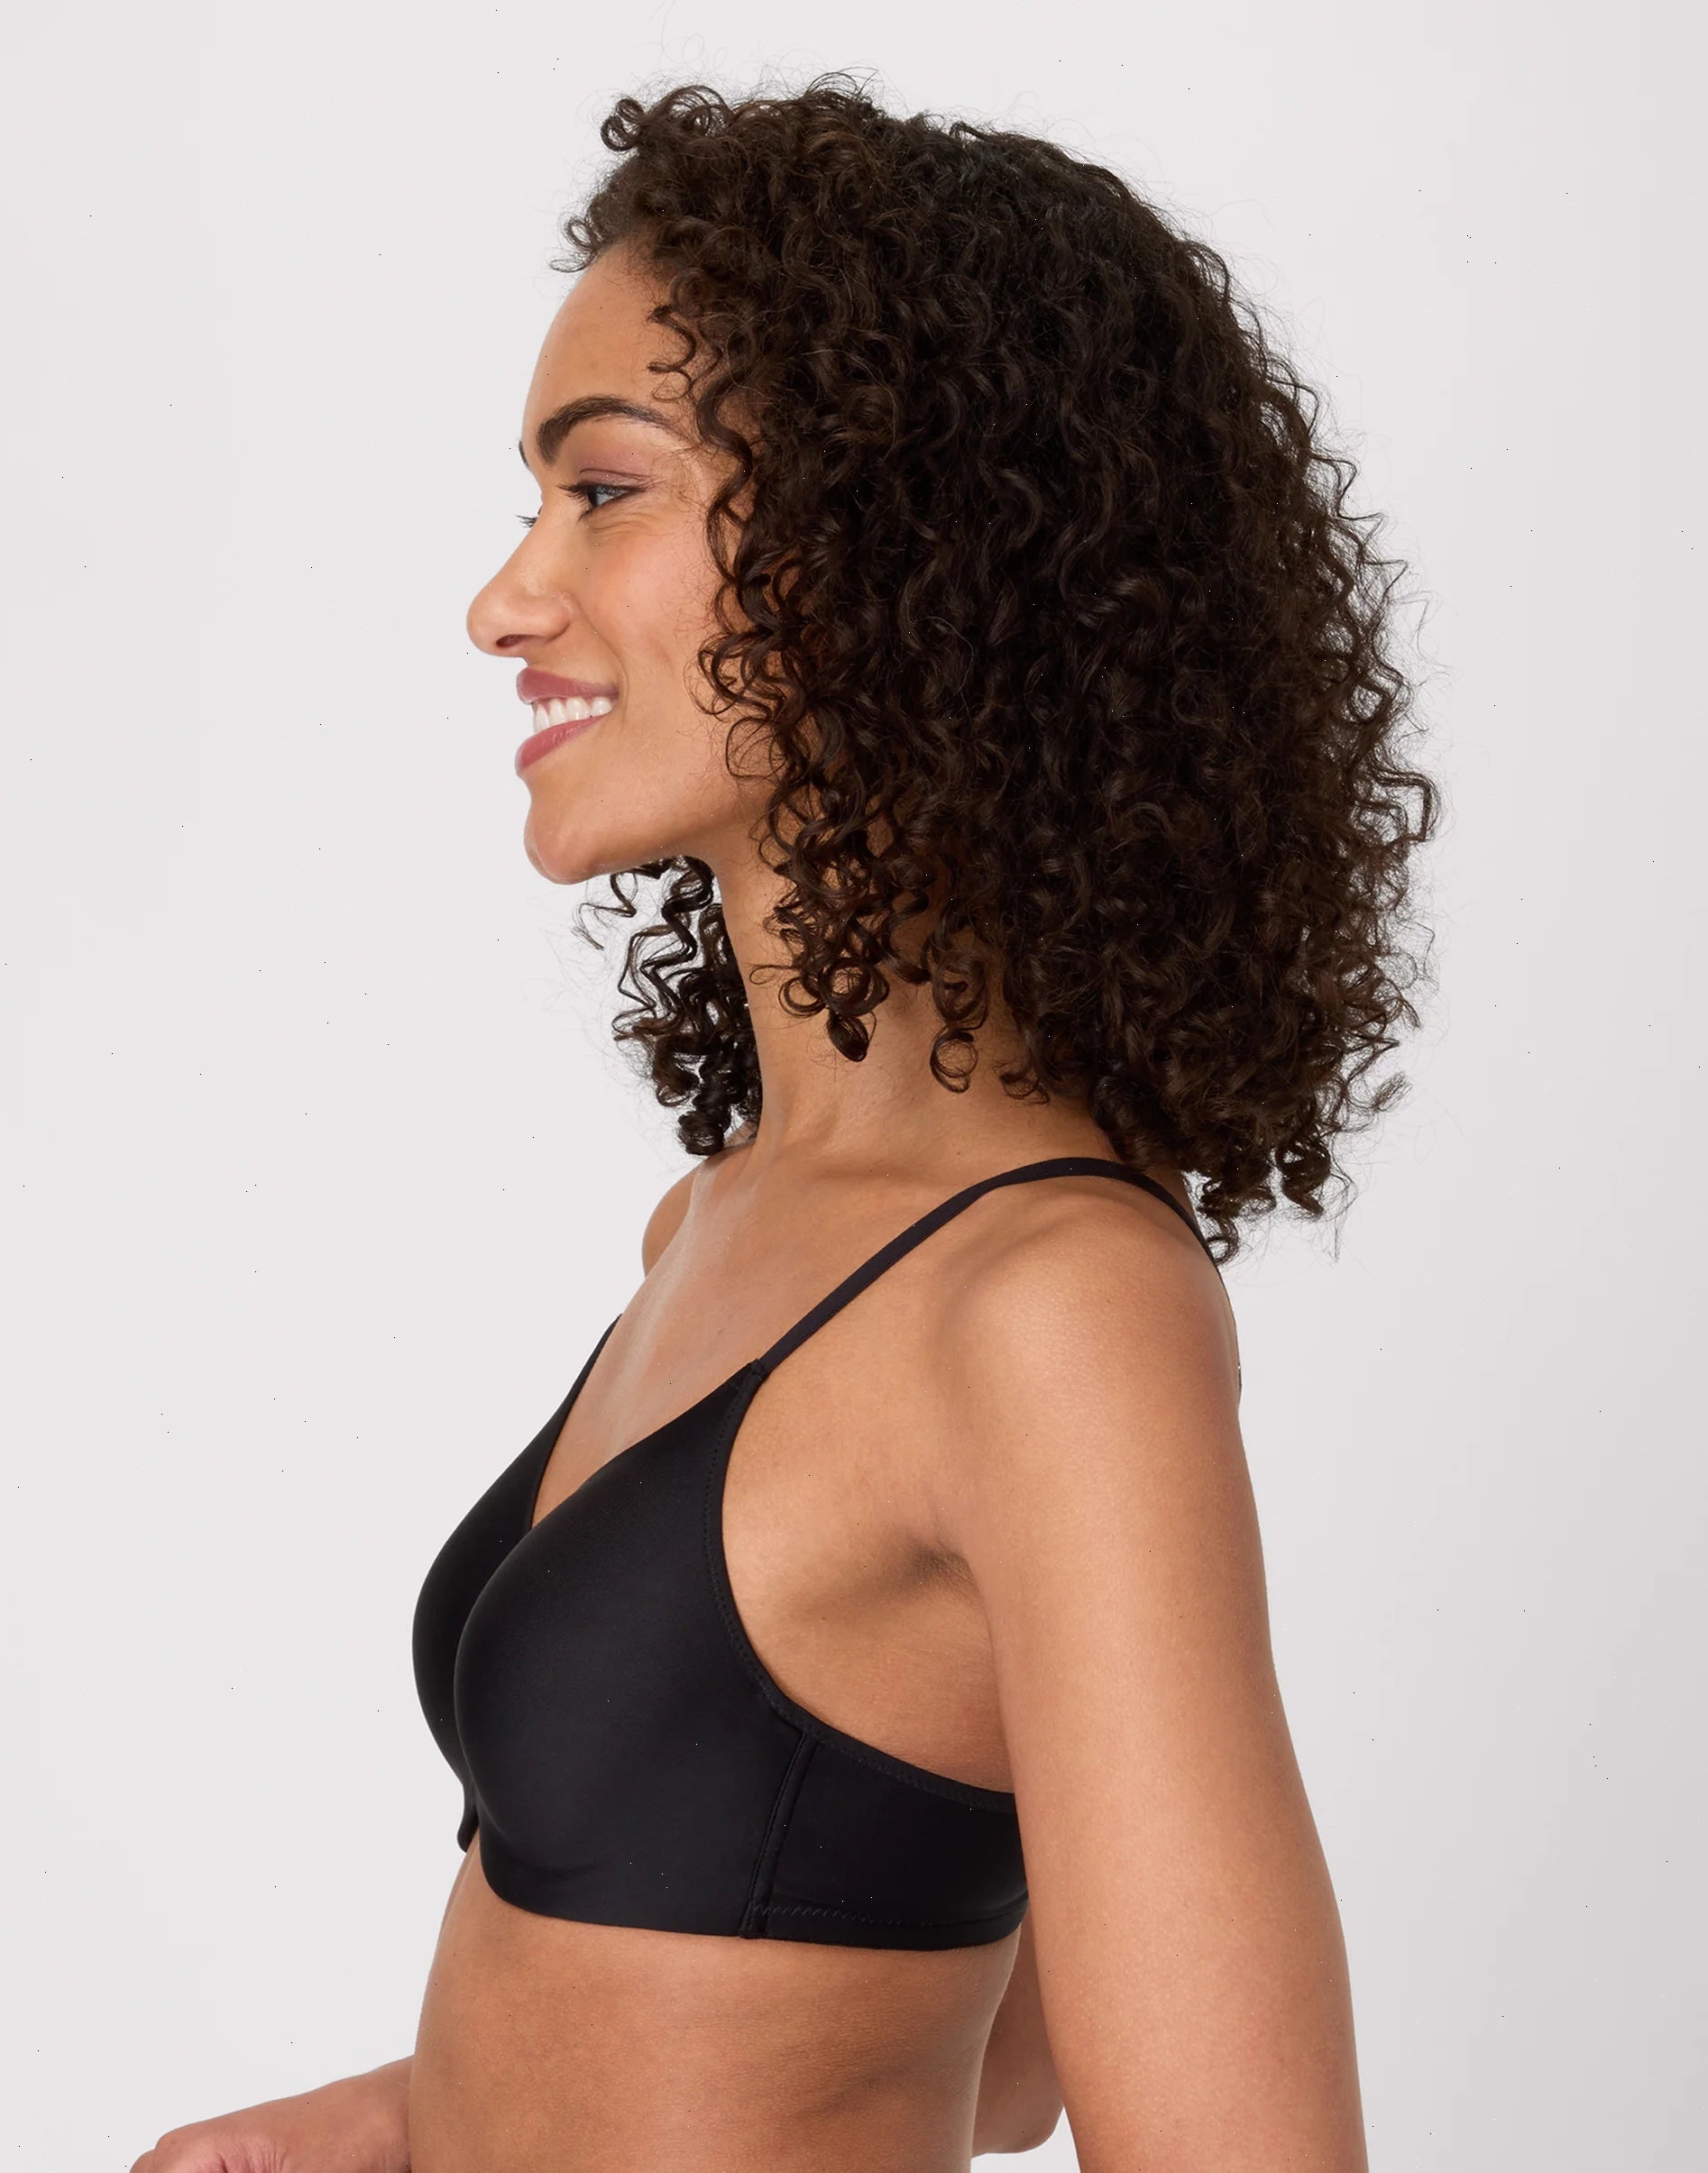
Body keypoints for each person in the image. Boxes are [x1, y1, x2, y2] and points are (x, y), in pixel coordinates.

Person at [133, 73, 1434, 2173]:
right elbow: (976, 2044)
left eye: (602, 492)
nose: (505, 598)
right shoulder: (724, 1218)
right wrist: (408, 2116)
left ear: (888, 542)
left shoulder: (1051, 1306)